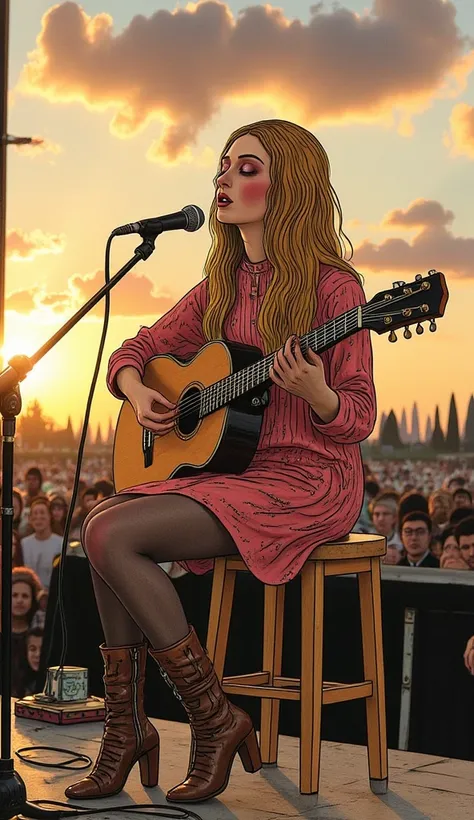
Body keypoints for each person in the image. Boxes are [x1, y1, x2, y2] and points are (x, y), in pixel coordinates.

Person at [65, 119, 376, 804]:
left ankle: (209, 719)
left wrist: (317, 392)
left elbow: (357, 418)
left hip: (310, 481)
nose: (223, 179)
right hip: (234, 476)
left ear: (287, 183)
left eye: (246, 167)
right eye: (223, 166)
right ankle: (131, 729)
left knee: (112, 531)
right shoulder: (221, 287)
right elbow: (135, 348)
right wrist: (139, 391)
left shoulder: (337, 290)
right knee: (101, 521)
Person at [20, 498, 63, 590]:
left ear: (50, 516)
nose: (38, 517)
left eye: (42, 513)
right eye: (35, 514)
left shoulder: (61, 543)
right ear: (30, 519)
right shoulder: (24, 544)